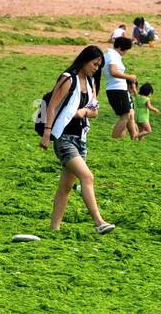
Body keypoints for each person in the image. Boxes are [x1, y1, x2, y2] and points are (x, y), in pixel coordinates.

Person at [40, 47, 113, 235]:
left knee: (65, 187)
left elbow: (95, 111)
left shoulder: (91, 83)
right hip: (63, 138)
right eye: (94, 64)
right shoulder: (67, 78)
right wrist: (47, 134)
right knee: (87, 177)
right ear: (84, 60)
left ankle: (54, 228)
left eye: (99, 66)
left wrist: (84, 112)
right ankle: (99, 222)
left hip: (81, 139)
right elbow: (52, 106)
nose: (96, 68)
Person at [103, 35, 138, 140]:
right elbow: (113, 72)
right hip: (117, 89)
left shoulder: (110, 55)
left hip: (117, 89)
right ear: (120, 48)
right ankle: (115, 139)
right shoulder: (112, 56)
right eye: (125, 51)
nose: (124, 53)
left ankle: (134, 138)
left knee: (130, 114)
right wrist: (129, 77)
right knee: (125, 117)